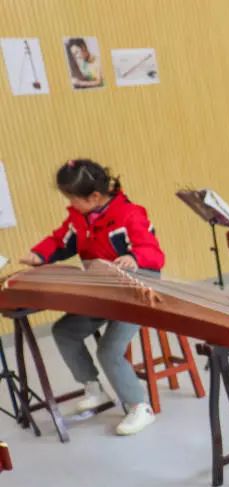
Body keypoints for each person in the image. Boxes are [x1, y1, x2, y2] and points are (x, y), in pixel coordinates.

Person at [19, 159, 164, 436]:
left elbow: (153, 252)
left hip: (137, 290)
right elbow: (61, 241)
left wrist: (134, 258)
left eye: (73, 199)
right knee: (64, 331)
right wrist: (39, 254)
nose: (71, 205)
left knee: (109, 349)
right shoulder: (79, 217)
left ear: (95, 196)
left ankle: (139, 406)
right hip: (102, 288)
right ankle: (93, 388)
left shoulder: (130, 214)